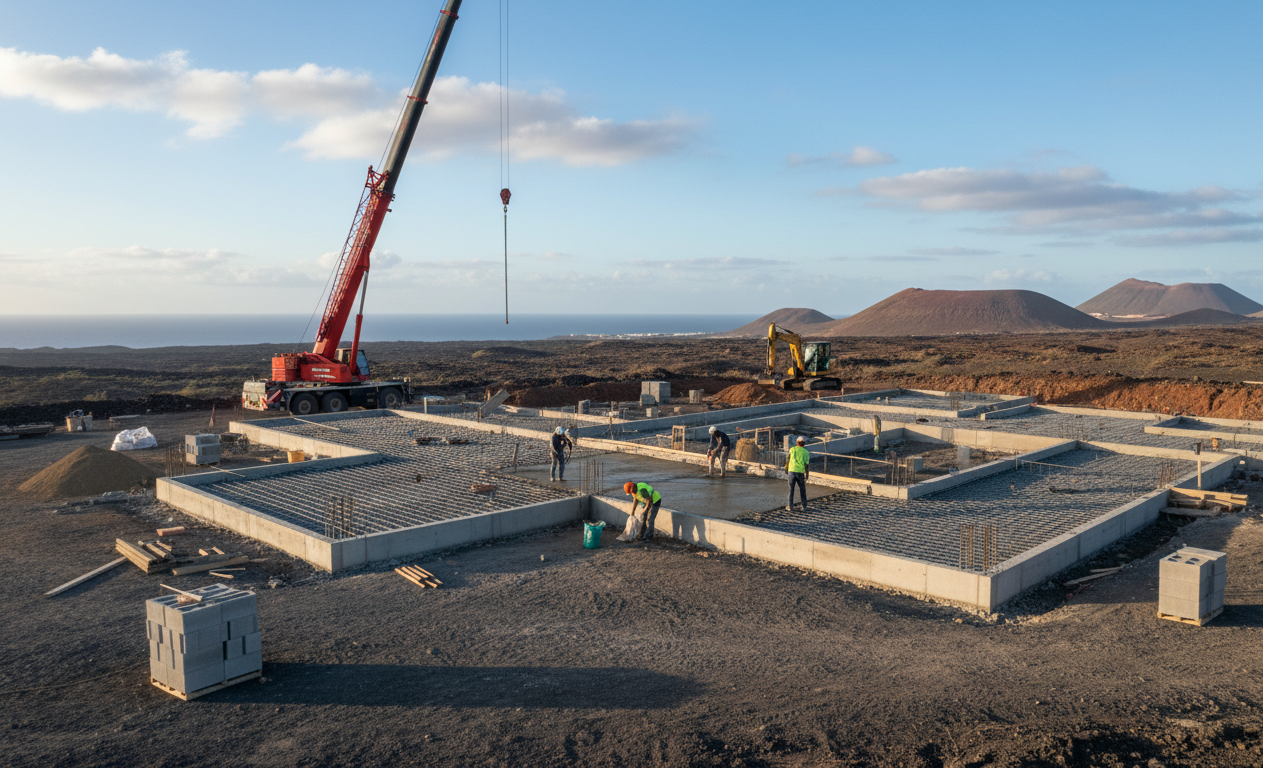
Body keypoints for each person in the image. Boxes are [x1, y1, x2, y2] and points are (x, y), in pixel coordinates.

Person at [785, 436, 810, 511]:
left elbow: (788, 459)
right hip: (800, 472)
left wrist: (786, 468)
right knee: (802, 490)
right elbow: (806, 465)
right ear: (804, 444)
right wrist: (807, 474)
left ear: (796, 443)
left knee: (791, 490)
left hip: (791, 471)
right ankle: (804, 506)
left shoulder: (792, 449)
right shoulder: (805, 452)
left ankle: (790, 506)